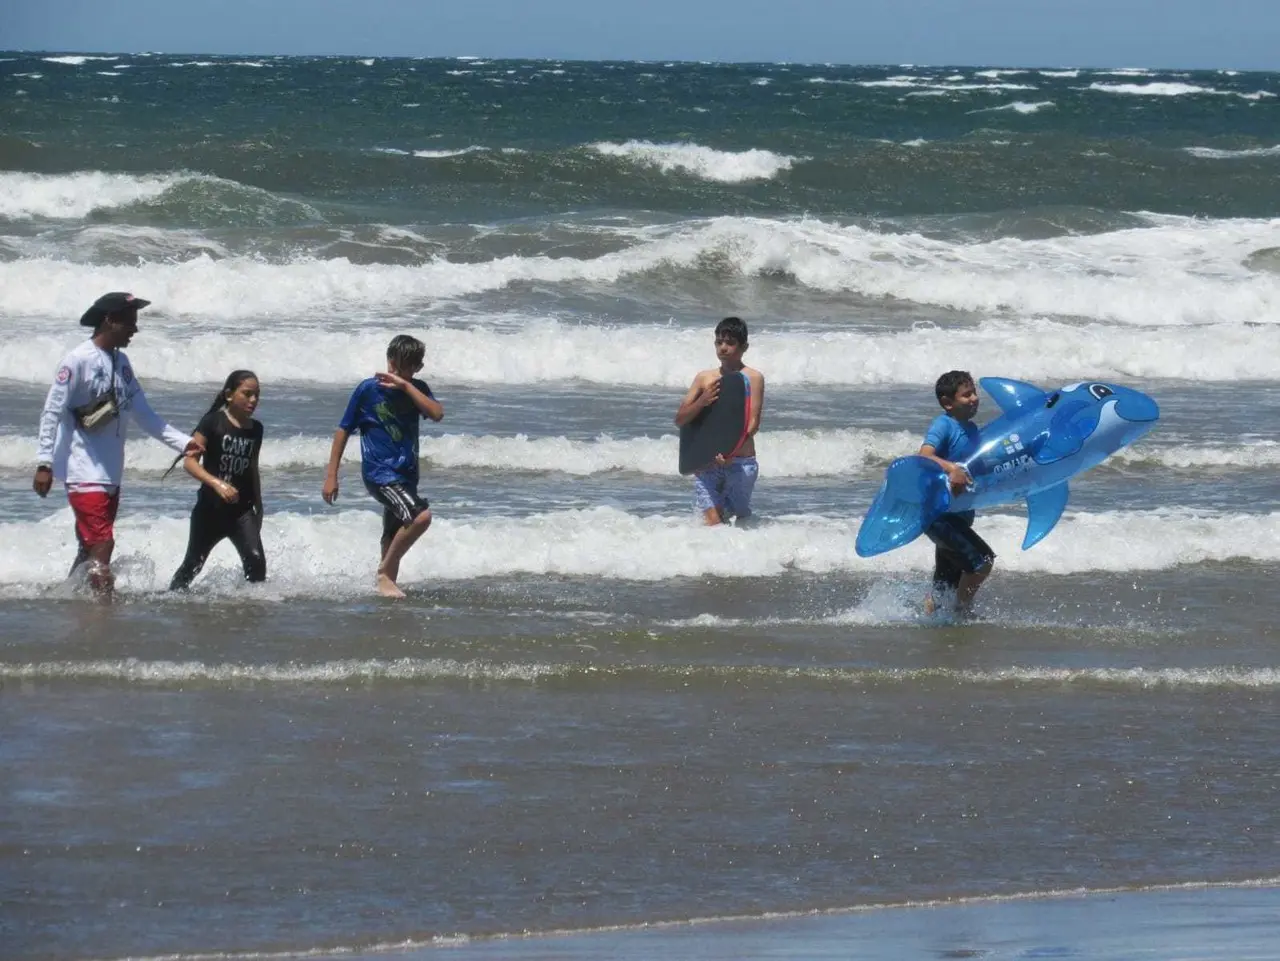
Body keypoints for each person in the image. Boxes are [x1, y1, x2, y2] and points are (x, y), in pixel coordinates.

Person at [32, 291, 201, 597]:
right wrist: (44, 463)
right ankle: (103, 610)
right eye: (130, 323)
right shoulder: (77, 360)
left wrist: (184, 443)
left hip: (111, 473)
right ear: (110, 321)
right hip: (82, 470)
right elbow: (51, 411)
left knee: (89, 548)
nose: (135, 330)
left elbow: (144, 413)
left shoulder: (121, 362)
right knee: (103, 543)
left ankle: (64, 599)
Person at [321, 335, 444, 598]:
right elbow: (343, 429)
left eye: (408, 369)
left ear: (418, 369)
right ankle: (385, 574)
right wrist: (332, 475)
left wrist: (407, 386)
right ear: (388, 361)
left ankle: (386, 589)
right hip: (380, 474)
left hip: (407, 474)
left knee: (392, 530)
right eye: (397, 366)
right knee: (420, 516)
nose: (399, 374)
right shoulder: (368, 390)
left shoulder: (417, 389)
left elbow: (436, 414)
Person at [168, 370, 266, 591]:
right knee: (193, 564)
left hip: (242, 512)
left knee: (256, 563)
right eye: (247, 394)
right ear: (230, 395)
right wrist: (217, 484)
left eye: (257, 395)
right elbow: (190, 462)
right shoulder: (213, 422)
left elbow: (252, 468)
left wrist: (259, 506)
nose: (253, 400)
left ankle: (251, 612)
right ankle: (172, 600)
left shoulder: (257, 429)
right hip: (210, 510)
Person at [674, 316, 766, 526]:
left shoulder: (753, 377)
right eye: (719, 342)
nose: (723, 348)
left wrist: (730, 452)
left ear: (744, 347)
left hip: (740, 464)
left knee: (738, 522)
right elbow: (680, 419)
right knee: (714, 524)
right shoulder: (704, 378)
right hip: (707, 463)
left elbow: (753, 424)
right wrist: (702, 401)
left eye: (730, 343)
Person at [918, 369, 996, 616]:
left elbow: (977, 466)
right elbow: (925, 456)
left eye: (974, 393)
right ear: (947, 403)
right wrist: (952, 468)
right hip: (940, 516)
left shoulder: (972, 429)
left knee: (945, 584)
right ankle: (962, 612)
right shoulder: (944, 425)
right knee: (982, 563)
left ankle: (931, 621)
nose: (974, 398)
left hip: (959, 515)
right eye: (966, 395)